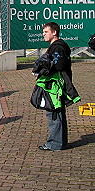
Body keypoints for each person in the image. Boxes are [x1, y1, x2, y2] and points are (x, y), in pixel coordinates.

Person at [34, 22, 73, 151]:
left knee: (54, 113)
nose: (43, 34)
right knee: (57, 113)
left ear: (54, 32)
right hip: (54, 86)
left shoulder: (58, 47)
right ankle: (59, 141)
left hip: (55, 87)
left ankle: (55, 143)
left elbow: (58, 65)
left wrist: (43, 70)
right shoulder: (57, 46)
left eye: (46, 32)